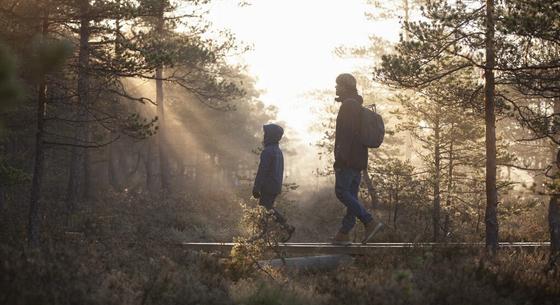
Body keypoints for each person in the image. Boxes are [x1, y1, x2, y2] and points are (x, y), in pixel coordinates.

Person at [332, 73, 383, 245]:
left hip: (348, 160)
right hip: (359, 160)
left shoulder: (348, 105)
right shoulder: (356, 105)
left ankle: (369, 221)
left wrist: (340, 158)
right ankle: (344, 233)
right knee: (351, 196)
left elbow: (346, 135)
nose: (336, 87)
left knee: (341, 192)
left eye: (338, 84)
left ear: (345, 86)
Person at [252, 123, 295, 242]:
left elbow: (262, 170)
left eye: (266, 134)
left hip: (268, 186)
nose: (264, 136)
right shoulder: (278, 151)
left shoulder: (268, 151)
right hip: (275, 186)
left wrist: (256, 188)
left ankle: (285, 228)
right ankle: (264, 235)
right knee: (266, 209)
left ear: (270, 136)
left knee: (265, 210)